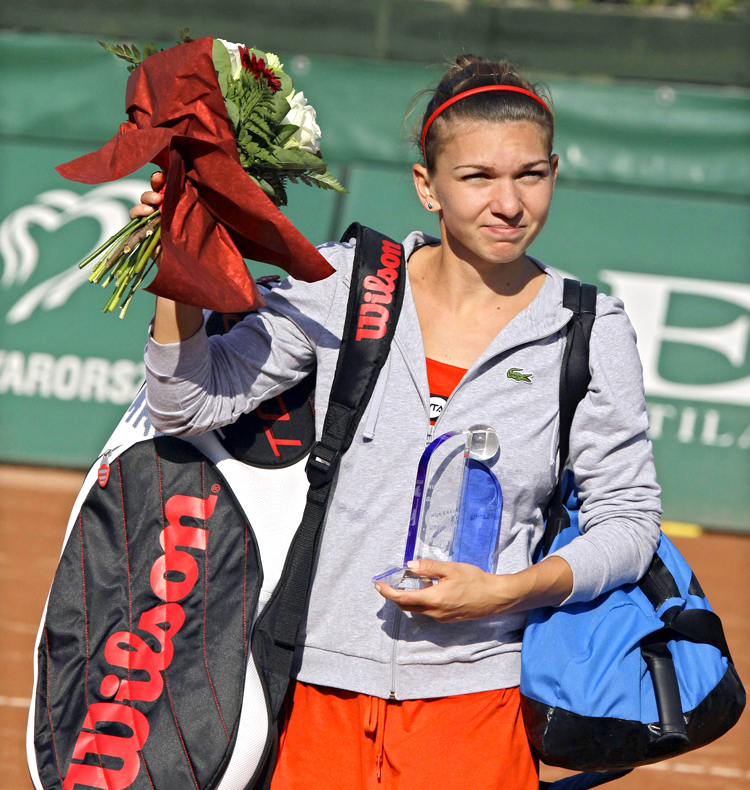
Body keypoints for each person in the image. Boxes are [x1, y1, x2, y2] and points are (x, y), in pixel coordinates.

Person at [134, 55, 661, 790]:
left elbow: (629, 522)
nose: (508, 203)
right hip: (316, 696)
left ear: (554, 171)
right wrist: (177, 260)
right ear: (427, 187)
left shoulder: (588, 328)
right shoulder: (348, 284)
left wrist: (511, 591)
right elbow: (184, 399)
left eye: (530, 175)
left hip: (480, 703)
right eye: (477, 177)